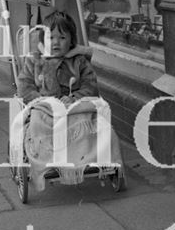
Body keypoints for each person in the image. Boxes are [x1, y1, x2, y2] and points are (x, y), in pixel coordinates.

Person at [14, 10, 123, 191]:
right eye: (51, 37)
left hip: (74, 106)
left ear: (71, 40)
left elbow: (90, 86)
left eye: (62, 38)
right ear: (43, 40)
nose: (56, 42)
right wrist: (41, 100)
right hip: (44, 107)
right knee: (38, 124)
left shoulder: (79, 61)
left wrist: (74, 98)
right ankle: (46, 159)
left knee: (88, 122)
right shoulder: (34, 61)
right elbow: (24, 87)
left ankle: (85, 157)